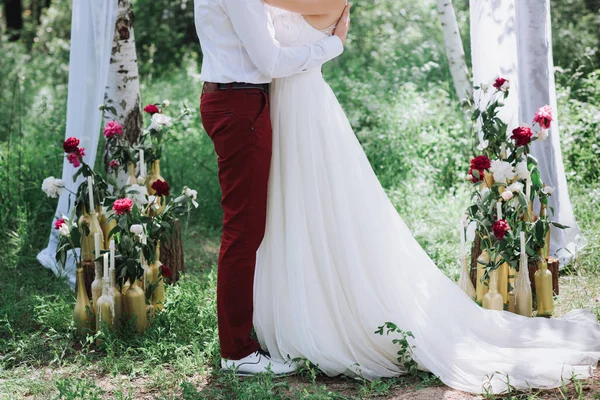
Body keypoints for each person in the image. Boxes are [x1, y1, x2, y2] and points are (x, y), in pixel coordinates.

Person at [252, 1, 600, 394]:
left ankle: (321, 315)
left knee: (319, 210)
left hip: (303, 108)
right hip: (275, 107)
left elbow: (282, 38)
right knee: (287, 211)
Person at [195, 0, 351, 376]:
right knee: (243, 230)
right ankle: (236, 352)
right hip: (239, 102)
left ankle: (245, 337)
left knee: (247, 227)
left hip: (236, 98)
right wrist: (334, 45)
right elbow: (271, 62)